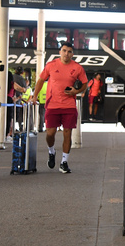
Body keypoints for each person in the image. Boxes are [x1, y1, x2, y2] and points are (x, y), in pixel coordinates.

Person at [31, 42, 87, 174]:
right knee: (50, 133)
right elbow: (40, 80)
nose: (66, 53)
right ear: (60, 52)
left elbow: (84, 84)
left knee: (67, 133)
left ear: (72, 54)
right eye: (64, 50)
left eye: (69, 51)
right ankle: (51, 152)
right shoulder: (51, 65)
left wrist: (76, 91)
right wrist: (34, 96)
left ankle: (64, 162)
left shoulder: (77, 68)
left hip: (69, 106)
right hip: (52, 105)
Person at [13, 66, 27, 131]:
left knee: (10, 114)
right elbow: (24, 90)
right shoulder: (22, 79)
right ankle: (13, 129)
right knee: (16, 115)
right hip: (18, 99)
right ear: (22, 72)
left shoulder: (12, 77)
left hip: (10, 98)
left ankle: (11, 129)